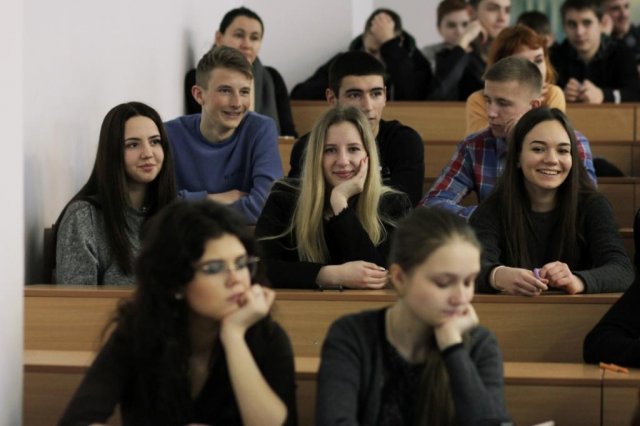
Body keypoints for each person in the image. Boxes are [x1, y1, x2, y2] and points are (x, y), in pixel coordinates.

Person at [59, 200, 297, 425]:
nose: (236, 279)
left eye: (241, 263)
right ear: (176, 282)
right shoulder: (138, 332)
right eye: (214, 268)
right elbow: (77, 420)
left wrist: (234, 336)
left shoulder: (268, 337)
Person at [316, 207, 509, 425]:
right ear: (399, 278)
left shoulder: (480, 344)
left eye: (468, 282)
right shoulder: (352, 335)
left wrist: (453, 349)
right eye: (443, 283)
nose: (461, 297)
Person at [469, 107, 633, 296]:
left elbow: (622, 270)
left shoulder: (593, 205)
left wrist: (577, 280)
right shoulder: (493, 208)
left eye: (563, 150)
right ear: (517, 157)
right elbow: (471, 267)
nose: (552, 160)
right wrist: (498, 275)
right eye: (538, 149)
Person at [255, 106, 412, 289]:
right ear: (316, 156)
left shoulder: (394, 205)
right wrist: (330, 275)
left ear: (368, 156)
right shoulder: (284, 197)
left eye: (353, 149)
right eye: (330, 150)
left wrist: (340, 204)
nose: (343, 161)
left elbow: (379, 278)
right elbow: (259, 267)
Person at [422, 56, 596, 219]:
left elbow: (588, 208)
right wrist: (492, 219)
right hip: (494, 239)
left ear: (534, 106)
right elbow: (430, 205)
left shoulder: (572, 143)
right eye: (488, 101)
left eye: (503, 103)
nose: (490, 113)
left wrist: (519, 143)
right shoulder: (475, 145)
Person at [54, 102, 177, 285]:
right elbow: (77, 300)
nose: (148, 153)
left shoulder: (176, 214)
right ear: (112, 152)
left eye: (154, 142)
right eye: (133, 145)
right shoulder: (84, 217)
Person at [288, 50, 424, 205]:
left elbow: (403, 209)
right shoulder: (307, 146)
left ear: (385, 96)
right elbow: (296, 208)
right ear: (332, 98)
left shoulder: (404, 142)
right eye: (354, 95)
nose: (368, 106)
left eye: (376, 94)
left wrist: (341, 198)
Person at [166, 45, 283, 225]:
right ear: (199, 95)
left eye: (244, 92)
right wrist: (220, 198)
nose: (237, 103)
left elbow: (265, 207)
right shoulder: (169, 134)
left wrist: (189, 204)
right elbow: (158, 206)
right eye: (225, 90)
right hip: (184, 239)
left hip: (241, 240)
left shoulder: (261, 129)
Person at [184, 7, 296, 136]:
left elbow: (289, 135)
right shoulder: (197, 77)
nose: (247, 44)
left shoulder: (273, 78)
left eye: (254, 38)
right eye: (239, 35)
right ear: (219, 38)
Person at [290, 8, 432, 101]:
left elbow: (415, 96)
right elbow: (300, 95)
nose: (375, 60)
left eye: (384, 53)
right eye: (372, 51)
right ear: (363, 40)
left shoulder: (417, 62)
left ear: (399, 43)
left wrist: (391, 48)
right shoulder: (345, 60)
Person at [466, 24, 566, 134]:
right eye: (522, 63)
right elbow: (481, 141)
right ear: (501, 66)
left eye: (538, 60)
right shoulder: (478, 100)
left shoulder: (552, 94)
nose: (534, 70)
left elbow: (550, 137)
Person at [550, 0, 640, 104]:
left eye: (587, 23)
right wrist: (560, 95)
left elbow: (635, 93)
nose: (579, 32)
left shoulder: (622, 52)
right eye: (572, 24)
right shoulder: (554, 56)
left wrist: (604, 95)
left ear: (602, 24)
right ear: (564, 27)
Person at [433, 0, 512, 100]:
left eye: (507, 10)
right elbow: (436, 97)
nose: (502, 18)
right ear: (471, 12)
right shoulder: (452, 57)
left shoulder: (514, 54)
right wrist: (464, 40)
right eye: (492, 9)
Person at [421, 0, 471, 75]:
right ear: (439, 29)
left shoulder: (481, 53)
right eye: (451, 25)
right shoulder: (429, 53)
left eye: (465, 24)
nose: (459, 31)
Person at [602, 0, 640, 73]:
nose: (624, 14)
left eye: (626, 6)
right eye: (615, 9)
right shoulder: (596, 43)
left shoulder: (637, 33)